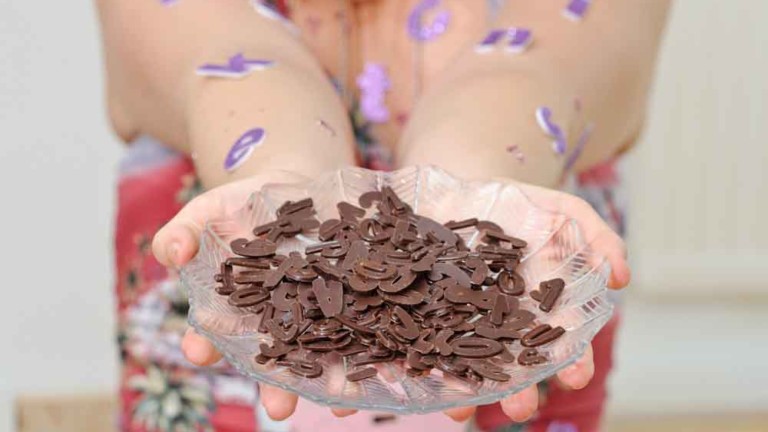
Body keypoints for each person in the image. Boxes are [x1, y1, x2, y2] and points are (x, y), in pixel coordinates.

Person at [97, 1, 669, 430]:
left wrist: (469, 185)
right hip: (238, 276)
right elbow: (206, 43)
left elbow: (572, 50)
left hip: (516, 281)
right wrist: (285, 185)